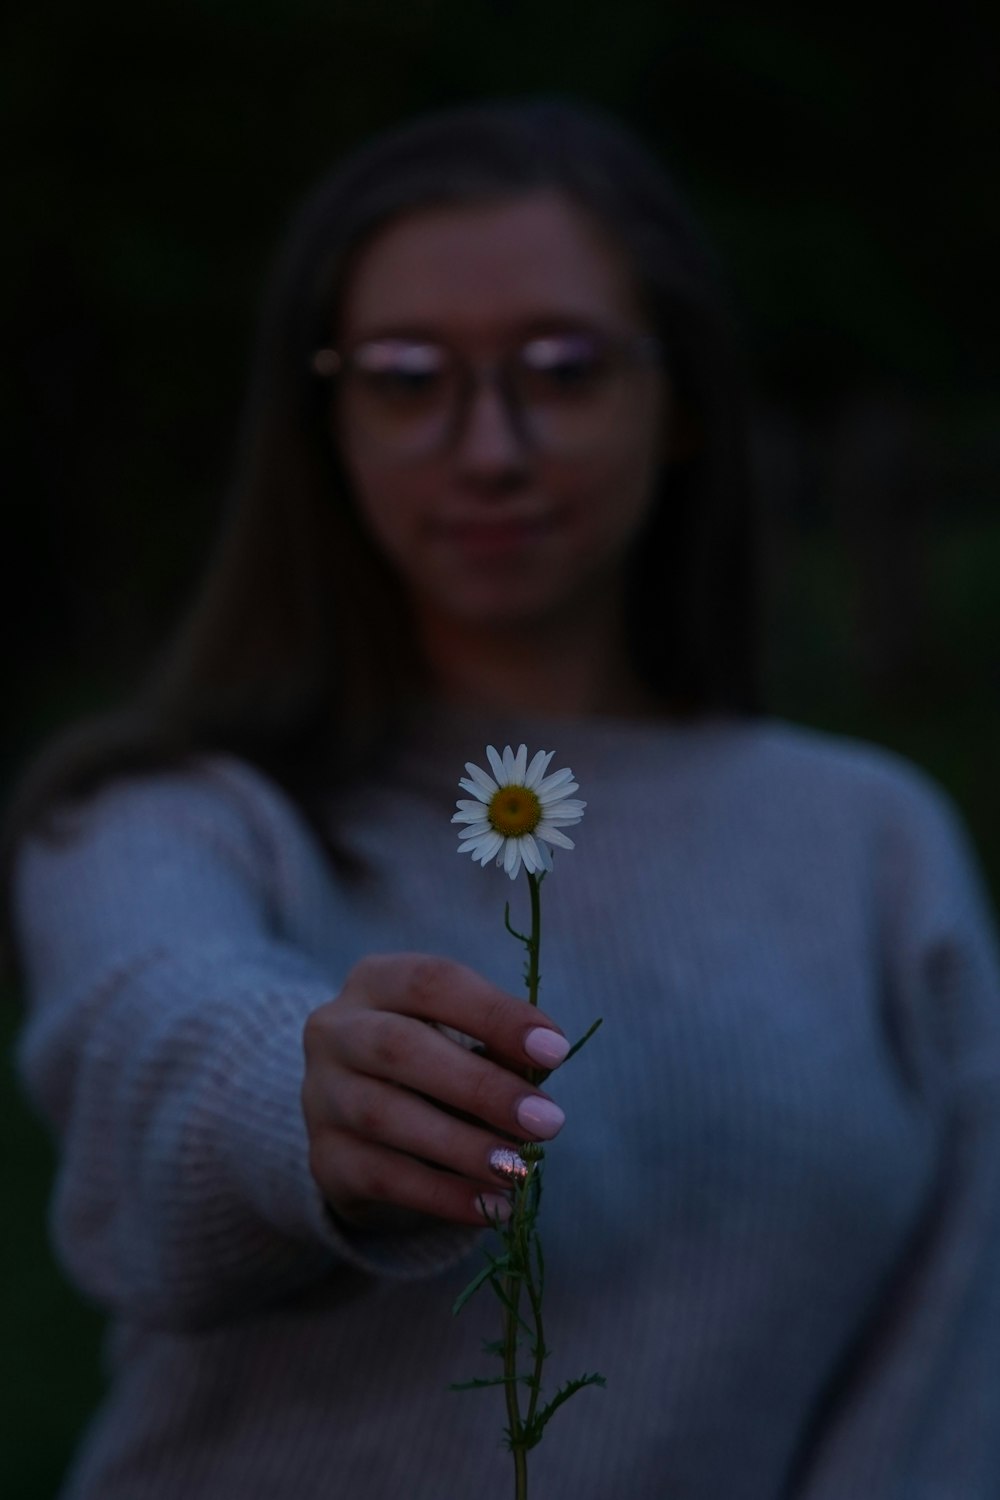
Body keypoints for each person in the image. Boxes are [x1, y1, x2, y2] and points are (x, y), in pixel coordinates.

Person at [7, 97, 1000, 1500]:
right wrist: (304, 1103)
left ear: (681, 405)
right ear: (325, 424)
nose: (490, 448)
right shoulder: (173, 816)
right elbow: (152, 1034)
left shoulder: (873, 846)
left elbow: (947, 1379)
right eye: (409, 377)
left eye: (565, 368)